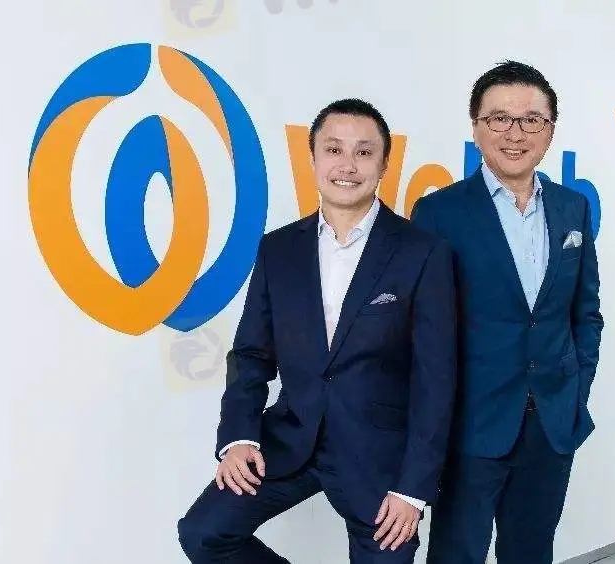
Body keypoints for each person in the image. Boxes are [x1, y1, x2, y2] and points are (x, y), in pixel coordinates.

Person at [177, 98, 457, 563]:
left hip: (379, 460)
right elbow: (250, 355)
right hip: (290, 439)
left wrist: (413, 488)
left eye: (364, 152)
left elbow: (437, 380)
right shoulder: (278, 249)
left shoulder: (422, 252)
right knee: (204, 533)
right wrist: (239, 437)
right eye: (333, 149)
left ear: (384, 164)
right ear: (312, 159)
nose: (348, 165)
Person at [411, 60, 604, 563]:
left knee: (531, 552)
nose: (515, 134)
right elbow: (422, 331)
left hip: (551, 422)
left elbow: (585, 313)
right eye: (499, 118)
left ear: (550, 130)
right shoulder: (439, 213)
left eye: (531, 120)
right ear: (476, 127)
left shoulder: (572, 208)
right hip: (471, 426)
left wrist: (575, 389)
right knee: (456, 555)